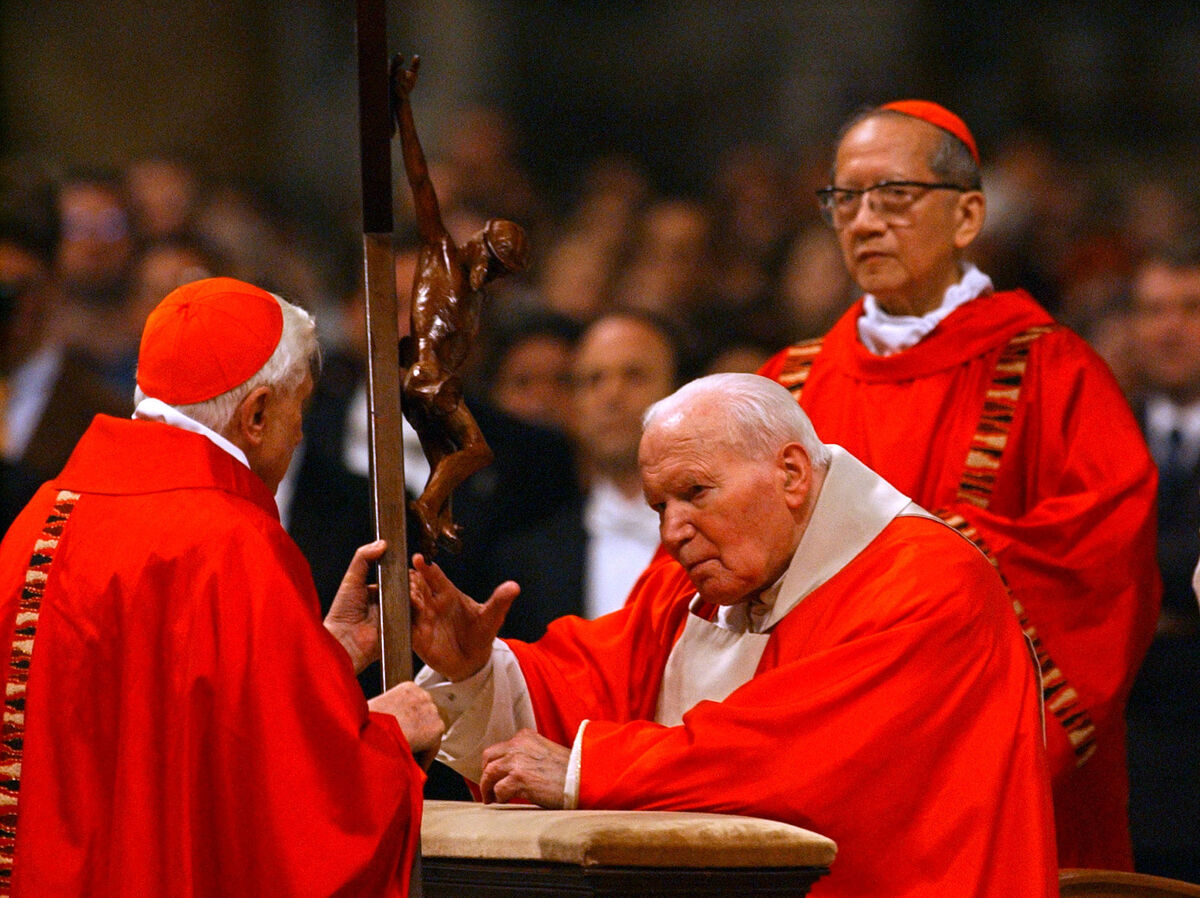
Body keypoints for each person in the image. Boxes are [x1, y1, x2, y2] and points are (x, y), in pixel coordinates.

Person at [411, 373, 1058, 898]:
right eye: (660, 506)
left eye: (696, 492)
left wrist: (588, 770)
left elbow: (790, 759)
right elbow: (591, 681)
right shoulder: (690, 586)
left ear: (792, 474)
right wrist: (476, 669)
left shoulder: (925, 582)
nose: (672, 532)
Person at [757, 100, 1160, 870]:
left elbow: (1103, 561)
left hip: (983, 770)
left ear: (968, 215)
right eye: (845, 198)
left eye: (893, 196)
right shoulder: (787, 387)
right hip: (818, 767)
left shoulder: (1052, 371)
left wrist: (928, 562)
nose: (864, 221)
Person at [0, 277, 442, 896]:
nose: (300, 435)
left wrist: (319, 660)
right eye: (298, 409)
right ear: (256, 414)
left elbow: (164, 723)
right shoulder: (235, 544)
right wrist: (388, 740)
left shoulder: (41, 522)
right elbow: (291, 819)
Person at [393, 55, 530, 556]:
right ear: (481, 246)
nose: (492, 276)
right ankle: (427, 505)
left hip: (434, 380)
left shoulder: (475, 297)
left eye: (501, 273)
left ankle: (437, 521)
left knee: (443, 456)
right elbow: (421, 181)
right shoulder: (442, 254)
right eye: (494, 263)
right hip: (427, 377)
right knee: (477, 450)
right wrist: (403, 107)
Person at [1124, 240, 1200, 883]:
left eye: (1192, 308)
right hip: (1130, 740)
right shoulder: (1098, 434)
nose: (1170, 327)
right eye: (1153, 310)